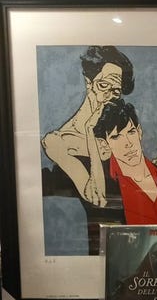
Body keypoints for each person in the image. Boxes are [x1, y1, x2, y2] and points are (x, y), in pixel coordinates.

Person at [41, 46, 135, 204]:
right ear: (89, 83)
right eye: (103, 86)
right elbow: (97, 198)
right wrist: (90, 133)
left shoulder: (120, 126)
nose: (108, 97)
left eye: (115, 91)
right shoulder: (57, 141)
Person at [90, 98, 157, 224]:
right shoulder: (103, 187)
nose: (128, 143)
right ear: (105, 144)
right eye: (116, 137)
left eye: (131, 132)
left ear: (139, 132)